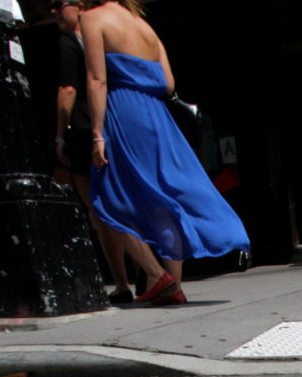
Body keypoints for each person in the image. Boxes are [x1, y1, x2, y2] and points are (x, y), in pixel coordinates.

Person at [81, 0, 250, 306]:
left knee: (107, 196)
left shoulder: (93, 19)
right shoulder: (145, 28)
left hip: (123, 112)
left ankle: (156, 274)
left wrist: (97, 134)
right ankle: (174, 286)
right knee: (167, 195)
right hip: (157, 117)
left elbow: (96, 79)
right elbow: (168, 84)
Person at [53, 0, 136, 303]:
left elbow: (68, 89)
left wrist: (60, 135)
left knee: (100, 211)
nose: (53, 12)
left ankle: (126, 282)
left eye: (58, 4)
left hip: (87, 131)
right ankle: (149, 273)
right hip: (117, 125)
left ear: (79, 6)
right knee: (127, 202)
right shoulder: (113, 35)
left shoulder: (69, 40)